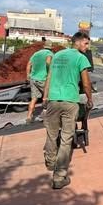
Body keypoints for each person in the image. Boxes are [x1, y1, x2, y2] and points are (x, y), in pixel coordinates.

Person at [42, 31, 93, 189]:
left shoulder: (57, 55)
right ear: (77, 42)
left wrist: (45, 97)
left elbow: (49, 77)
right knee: (66, 138)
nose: (87, 47)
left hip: (53, 100)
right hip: (70, 102)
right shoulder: (80, 58)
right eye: (85, 43)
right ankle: (59, 176)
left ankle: (50, 162)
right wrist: (90, 99)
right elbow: (85, 83)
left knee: (51, 134)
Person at [26, 40, 54, 123]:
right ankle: (46, 115)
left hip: (33, 79)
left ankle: (29, 116)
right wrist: (50, 71)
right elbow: (48, 62)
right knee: (48, 97)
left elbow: (29, 64)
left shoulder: (36, 54)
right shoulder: (50, 54)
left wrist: (28, 75)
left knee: (34, 98)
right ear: (51, 47)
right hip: (43, 79)